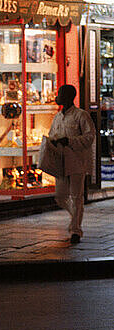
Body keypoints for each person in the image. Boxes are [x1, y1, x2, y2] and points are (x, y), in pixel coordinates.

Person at [49, 84, 95, 244]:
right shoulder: (57, 117)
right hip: (61, 163)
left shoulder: (81, 116)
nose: (57, 96)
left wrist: (70, 141)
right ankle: (75, 217)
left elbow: (90, 137)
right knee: (60, 197)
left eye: (60, 93)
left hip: (77, 162)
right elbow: (52, 135)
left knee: (76, 197)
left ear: (68, 97)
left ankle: (76, 230)